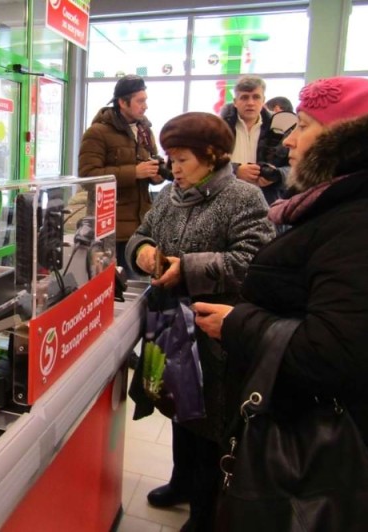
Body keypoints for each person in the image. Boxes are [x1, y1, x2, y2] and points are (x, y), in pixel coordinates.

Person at [194, 77, 368, 528]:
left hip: (337, 448)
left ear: (346, 140)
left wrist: (236, 324)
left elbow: (337, 352)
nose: (289, 139)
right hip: (319, 430)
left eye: (303, 125)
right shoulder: (352, 206)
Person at [125, 112, 275, 531]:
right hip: (171, 324)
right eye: (170, 159)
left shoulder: (243, 198)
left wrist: (187, 267)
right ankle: (181, 482)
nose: (174, 169)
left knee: (210, 425)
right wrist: (142, 252)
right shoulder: (172, 195)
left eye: (183, 160)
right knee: (178, 410)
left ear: (213, 156)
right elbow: (142, 234)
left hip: (214, 332)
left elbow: (253, 261)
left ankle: (205, 512)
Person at [78, 74, 169, 279]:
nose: (145, 106)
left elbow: (153, 162)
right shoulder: (97, 133)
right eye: (140, 101)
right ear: (122, 102)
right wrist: (134, 172)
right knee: (110, 288)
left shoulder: (145, 131)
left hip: (141, 227)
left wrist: (156, 175)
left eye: (145, 100)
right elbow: (87, 177)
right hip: (110, 230)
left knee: (139, 291)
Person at [220, 75, 290, 206]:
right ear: (235, 101)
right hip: (224, 202)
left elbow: (295, 169)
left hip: (266, 204)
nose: (250, 103)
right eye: (244, 97)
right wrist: (235, 171)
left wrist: (277, 175)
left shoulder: (281, 130)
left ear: (263, 100)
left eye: (256, 97)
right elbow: (205, 165)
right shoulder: (218, 128)